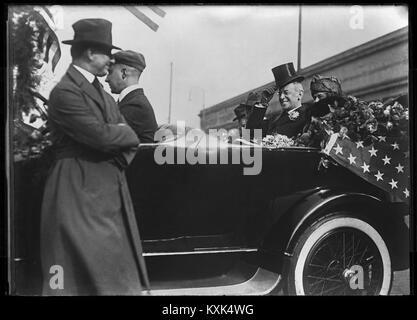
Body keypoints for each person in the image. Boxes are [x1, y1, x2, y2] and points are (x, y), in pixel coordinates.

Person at [40, 19, 149, 295]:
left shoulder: (103, 94)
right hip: (76, 191)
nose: (110, 61)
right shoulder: (64, 92)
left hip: (106, 191)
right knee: (70, 277)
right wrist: (119, 137)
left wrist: (116, 152)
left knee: (112, 277)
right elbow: (101, 136)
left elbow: (129, 141)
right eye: (106, 54)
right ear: (90, 53)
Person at [246, 62, 311, 138]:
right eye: (280, 93)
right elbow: (249, 136)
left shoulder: (307, 115)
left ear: (299, 94)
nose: (281, 97)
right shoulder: (274, 120)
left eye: (286, 93)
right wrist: (262, 104)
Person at [106, 50, 158, 143]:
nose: (106, 79)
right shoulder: (132, 100)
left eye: (110, 72)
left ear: (124, 73)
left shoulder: (135, 105)